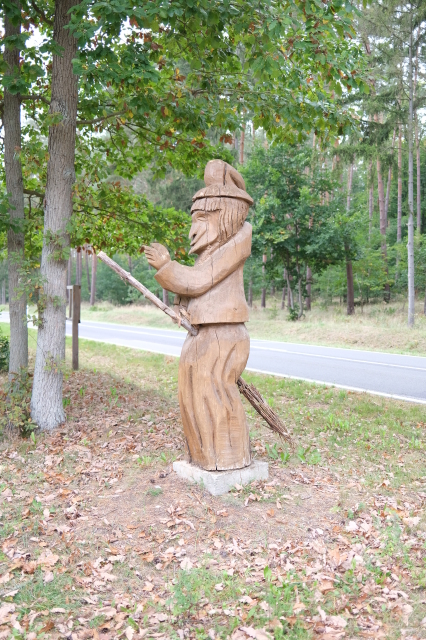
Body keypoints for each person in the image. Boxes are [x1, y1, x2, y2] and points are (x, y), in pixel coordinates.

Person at [144, 159, 253, 470]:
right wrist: (182, 306)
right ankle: (204, 456)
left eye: (203, 218)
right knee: (191, 391)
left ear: (228, 213)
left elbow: (199, 281)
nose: (193, 231)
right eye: (195, 219)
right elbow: (193, 288)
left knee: (211, 392)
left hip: (224, 332)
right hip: (205, 332)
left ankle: (226, 458)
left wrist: (166, 267)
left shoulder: (237, 241)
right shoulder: (212, 250)